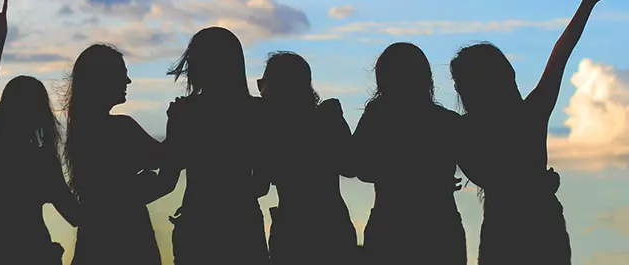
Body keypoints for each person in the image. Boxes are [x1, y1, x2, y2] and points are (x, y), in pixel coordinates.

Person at [451, 0, 615, 265]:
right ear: (506, 76)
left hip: (501, 231)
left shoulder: (463, 129)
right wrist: (588, 2)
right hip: (543, 225)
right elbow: (561, 53)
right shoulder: (531, 114)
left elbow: (487, 177)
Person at [0, 0, 80, 265]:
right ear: (40, 115)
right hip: (36, 253)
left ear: (4, 108)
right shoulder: (42, 160)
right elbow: (76, 215)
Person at [157, 27, 269, 265]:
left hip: (197, 223)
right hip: (243, 224)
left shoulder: (184, 113)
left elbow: (167, 180)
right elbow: (261, 185)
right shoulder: (258, 112)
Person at [352, 42, 467, 265]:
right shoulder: (449, 122)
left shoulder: (376, 117)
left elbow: (358, 167)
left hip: (389, 224)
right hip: (440, 226)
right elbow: (482, 166)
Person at [63, 43, 165, 265]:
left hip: (92, 246)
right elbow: (165, 158)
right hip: (131, 245)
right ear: (103, 80)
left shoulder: (81, 132)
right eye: (122, 74)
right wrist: (181, 123)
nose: (128, 81)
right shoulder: (120, 128)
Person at [253, 51, 357, 265]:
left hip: (292, 230)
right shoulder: (327, 119)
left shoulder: (272, 130)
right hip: (334, 226)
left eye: (262, 83)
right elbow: (350, 167)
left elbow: (260, 185)